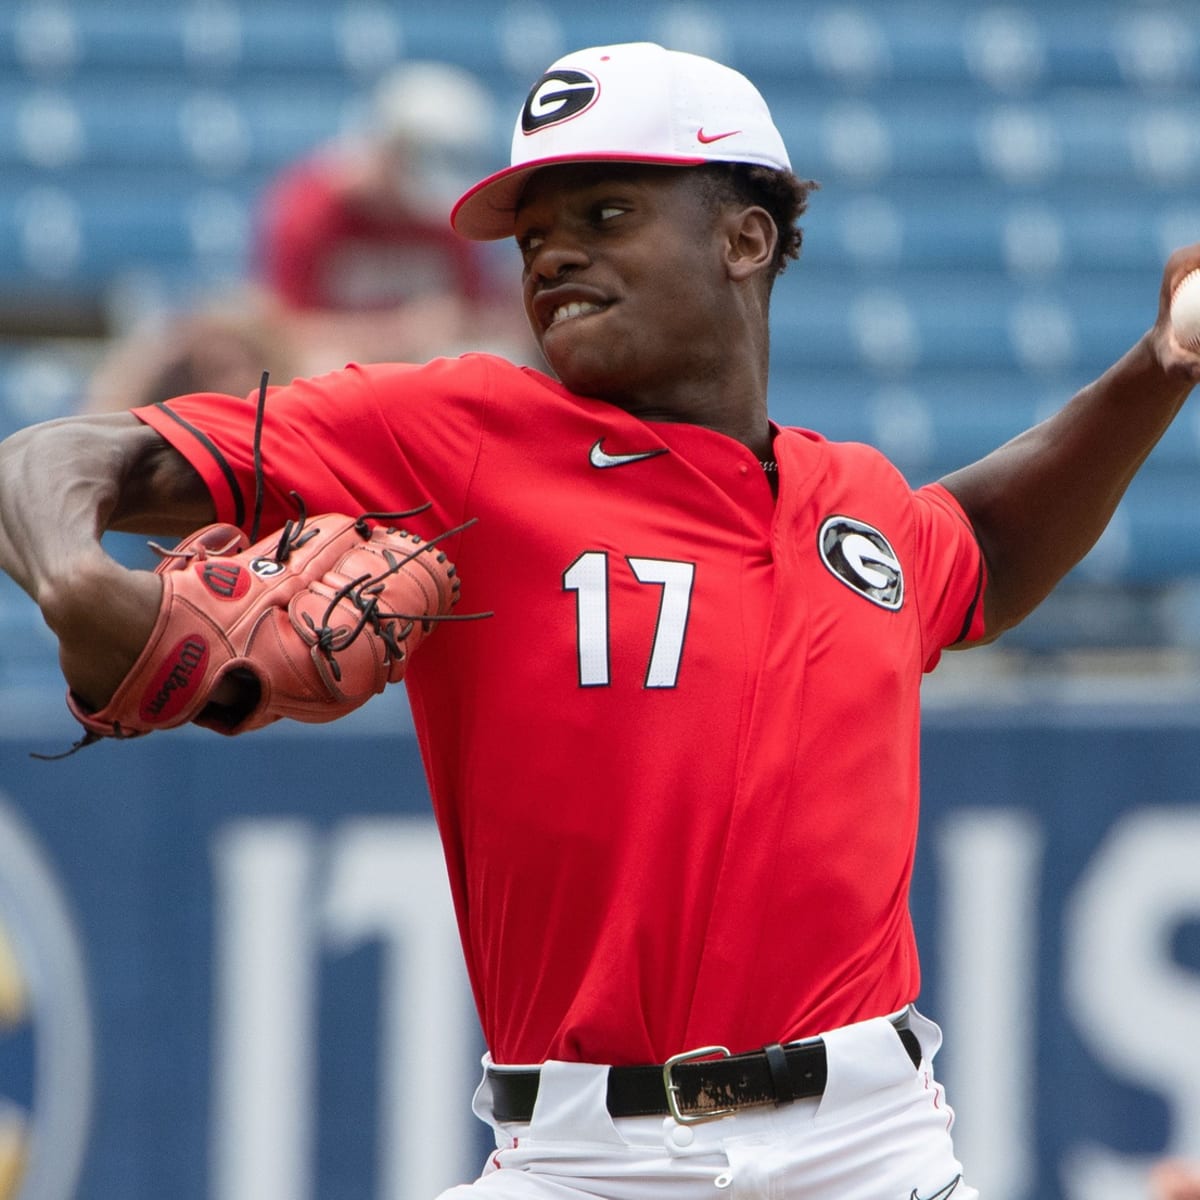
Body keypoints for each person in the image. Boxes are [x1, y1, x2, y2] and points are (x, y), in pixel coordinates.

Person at [0, 40, 1198, 1200]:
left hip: (874, 1148)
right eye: (534, 239)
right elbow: (54, 458)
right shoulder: (457, 432)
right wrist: (80, 583)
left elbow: (980, 549)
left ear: (746, 236)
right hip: (583, 1160)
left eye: (605, 216)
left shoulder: (860, 509)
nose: (553, 259)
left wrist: (1161, 364)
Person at [252, 59, 532, 368]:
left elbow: (475, 312)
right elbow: (280, 335)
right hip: (337, 374)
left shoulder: (445, 218)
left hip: (418, 371)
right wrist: (400, 333)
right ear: (385, 154)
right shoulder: (310, 208)